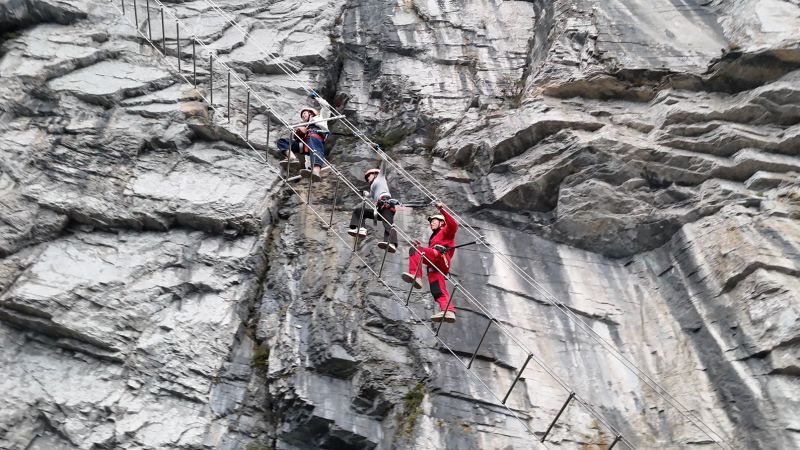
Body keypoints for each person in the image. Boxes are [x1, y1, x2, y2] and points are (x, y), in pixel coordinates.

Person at [401, 201, 458, 323]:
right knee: (437, 291)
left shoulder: (446, 231)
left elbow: (453, 225)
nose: (431, 222)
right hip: (436, 265)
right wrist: (421, 247)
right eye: (431, 221)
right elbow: (430, 251)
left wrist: (442, 210)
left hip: (440, 258)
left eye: (434, 220)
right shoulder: (435, 237)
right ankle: (448, 311)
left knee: (415, 250)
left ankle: (416, 276)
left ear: (442, 223)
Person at [275, 92, 331, 180]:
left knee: (315, 150)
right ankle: (292, 158)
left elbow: (326, 107)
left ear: (311, 113)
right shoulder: (306, 127)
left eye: (304, 113)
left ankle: (316, 171)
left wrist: (317, 98)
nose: (303, 116)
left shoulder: (321, 118)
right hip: (305, 143)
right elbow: (308, 155)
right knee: (282, 142)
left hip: (316, 138)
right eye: (302, 115)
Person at [348, 168, 398, 253]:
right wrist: (364, 193)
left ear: (375, 174)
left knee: (388, 224)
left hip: (387, 203)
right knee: (359, 211)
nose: (367, 178)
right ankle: (361, 228)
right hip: (379, 208)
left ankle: (391, 243)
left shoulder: (381, 178)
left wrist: (383, 157)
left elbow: (384, 165)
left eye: (368, 175)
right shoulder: (372, 188)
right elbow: (370, 194)